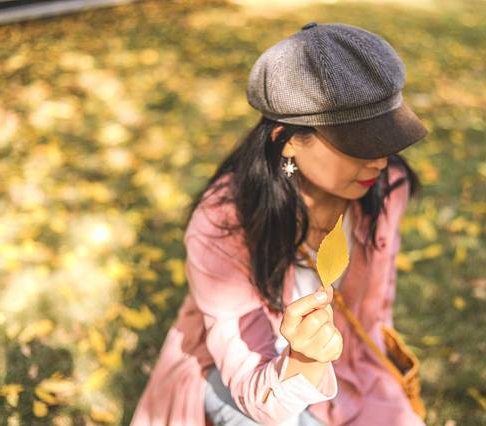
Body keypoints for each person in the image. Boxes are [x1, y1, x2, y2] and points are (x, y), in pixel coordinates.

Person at [130, 22, 429, 426]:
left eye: (385, 138)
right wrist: (303, 358)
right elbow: (250, 383)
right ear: (286, 140)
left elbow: (375, 310)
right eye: (359, 144)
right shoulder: (222, 224)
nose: (379, 160)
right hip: (245, 382)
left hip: (351, 374)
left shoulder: (388, 187)